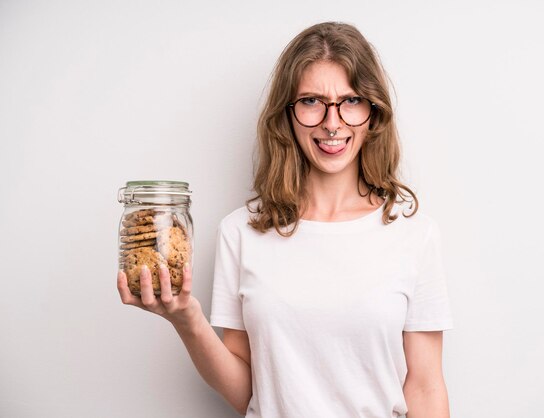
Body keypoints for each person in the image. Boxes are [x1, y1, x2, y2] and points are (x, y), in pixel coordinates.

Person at [118, 21, 454, 418]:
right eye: (311, 101)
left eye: (350, 100)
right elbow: (246, 390)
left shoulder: (413, 235)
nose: (332, 122)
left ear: (373, 112)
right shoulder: (240, 232)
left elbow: (426, 387)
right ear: (287, 115)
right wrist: (188, 320)